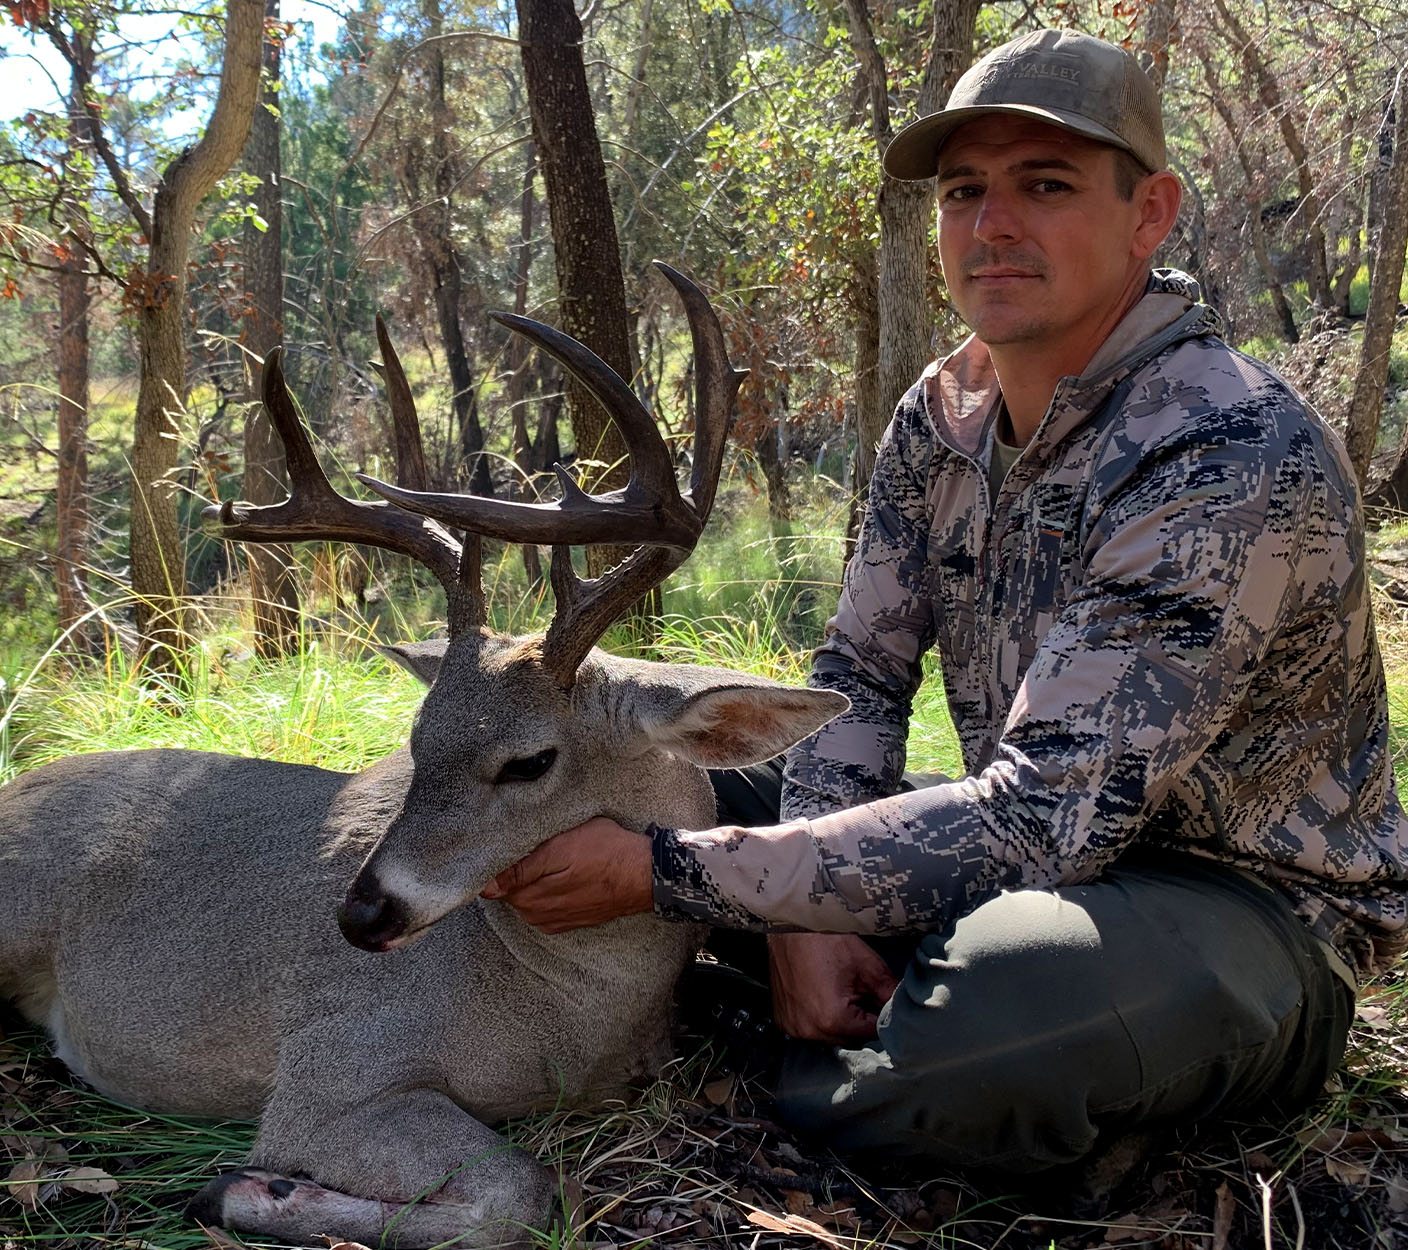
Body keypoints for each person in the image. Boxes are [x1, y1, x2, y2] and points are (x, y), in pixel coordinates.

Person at [481, 28, 1408, 1171]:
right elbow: (857, 675)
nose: (992, 222)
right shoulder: (942, 412)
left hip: (1241, 901)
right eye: (964, 191)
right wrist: (797, 901)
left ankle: (853, 1051)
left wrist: (700, 880)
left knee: (1001, 1005)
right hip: (1026, 828)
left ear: (1150, 213)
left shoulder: (1224, 447)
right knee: (631, 751)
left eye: (1046, 185)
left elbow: (1042, 813)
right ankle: (880, 1008)